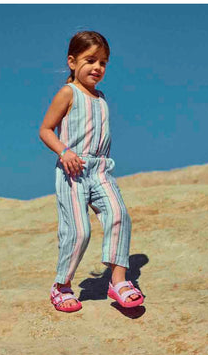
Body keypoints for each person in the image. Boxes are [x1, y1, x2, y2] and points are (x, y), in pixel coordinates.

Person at [38, 31, 144, 312]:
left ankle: (119, 281)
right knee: (79, 231)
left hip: (100, 169)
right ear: (72, 62)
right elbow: (45, 130)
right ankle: (62, 286)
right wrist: (64, 151)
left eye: (103, 63)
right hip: (72, 171)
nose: (97, 67)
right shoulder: (68, 93)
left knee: (119, 215)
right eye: (90, 60)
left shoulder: (101, 97)